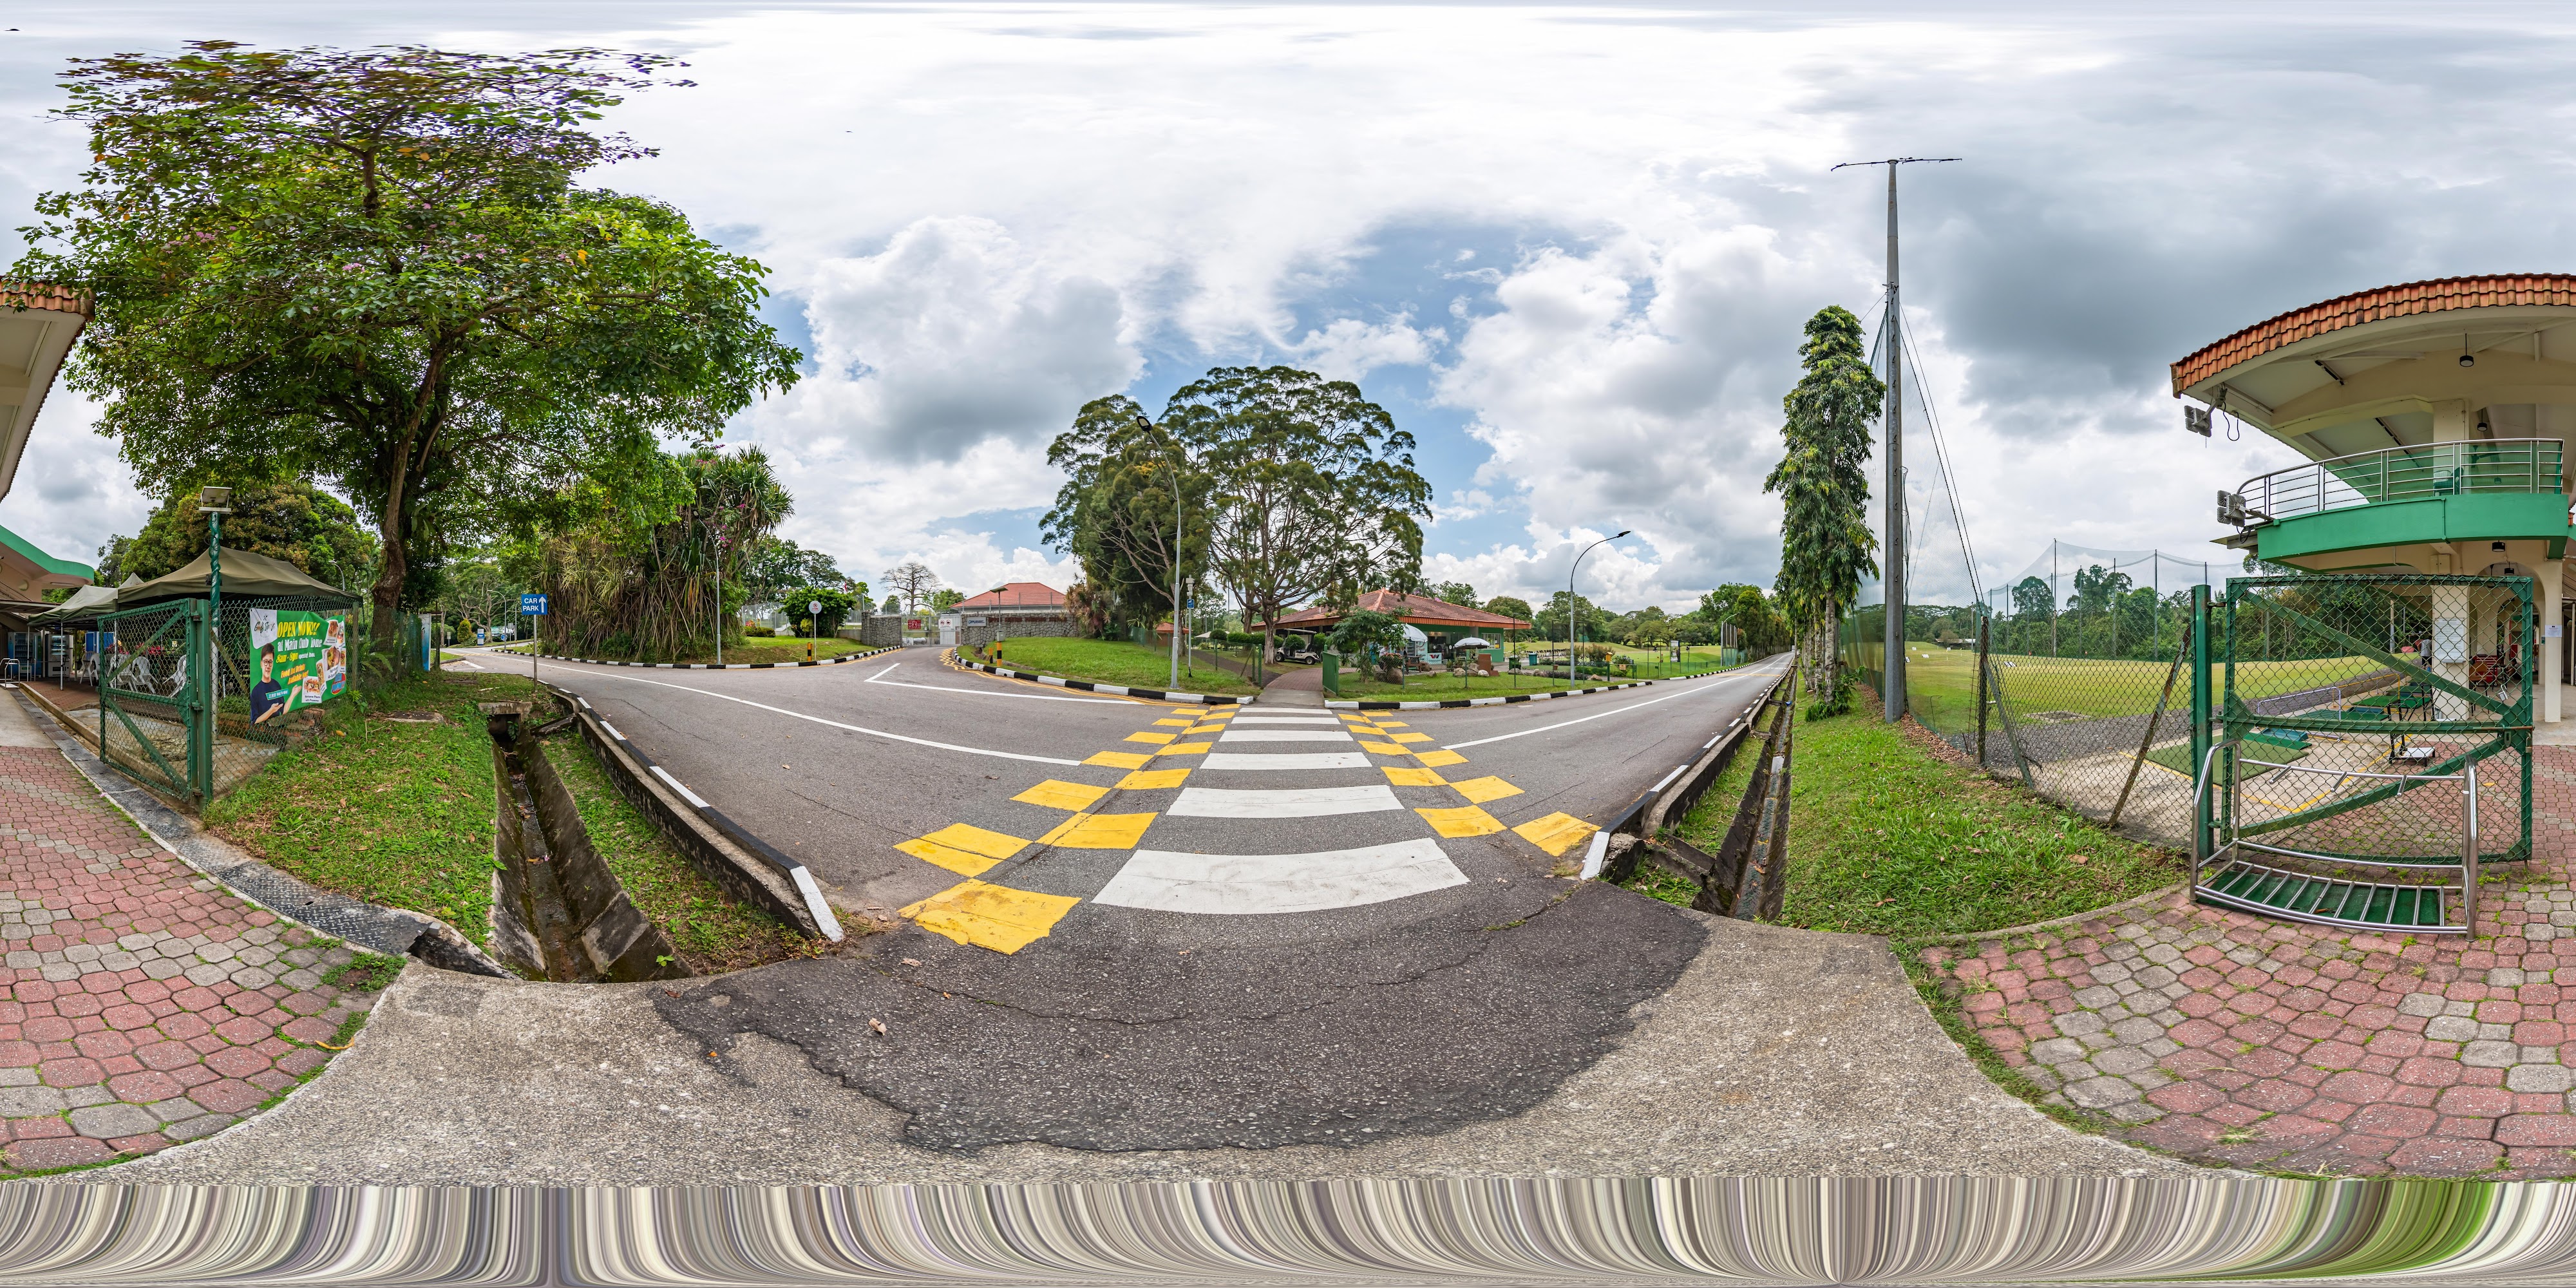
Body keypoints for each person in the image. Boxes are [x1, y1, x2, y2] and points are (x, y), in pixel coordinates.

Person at [249, 644, 291, 726]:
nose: (268, 666)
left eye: (270, 662)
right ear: (261, 664)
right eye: (265, 662)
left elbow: (283, 711)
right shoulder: (255, 692)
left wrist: (293, 694)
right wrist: (271, 711)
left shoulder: (276, 685)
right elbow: (254, 721)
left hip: (278, 728)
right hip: (261, 731)